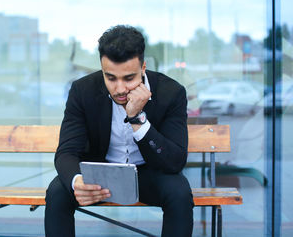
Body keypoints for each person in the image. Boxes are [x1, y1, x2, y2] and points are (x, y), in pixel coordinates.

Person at [45, 25, 194, 237]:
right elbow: (67, 151)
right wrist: (77, 181)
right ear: (102, 68)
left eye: (129, 78)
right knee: (58, 191)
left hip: (148, 173)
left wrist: (137, 119)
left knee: (179, 192)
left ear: (143, 67)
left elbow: (175, 161)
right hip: (100, 174)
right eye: (111, 78)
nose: (120, 89)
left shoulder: (171, 92)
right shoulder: (82, 90)